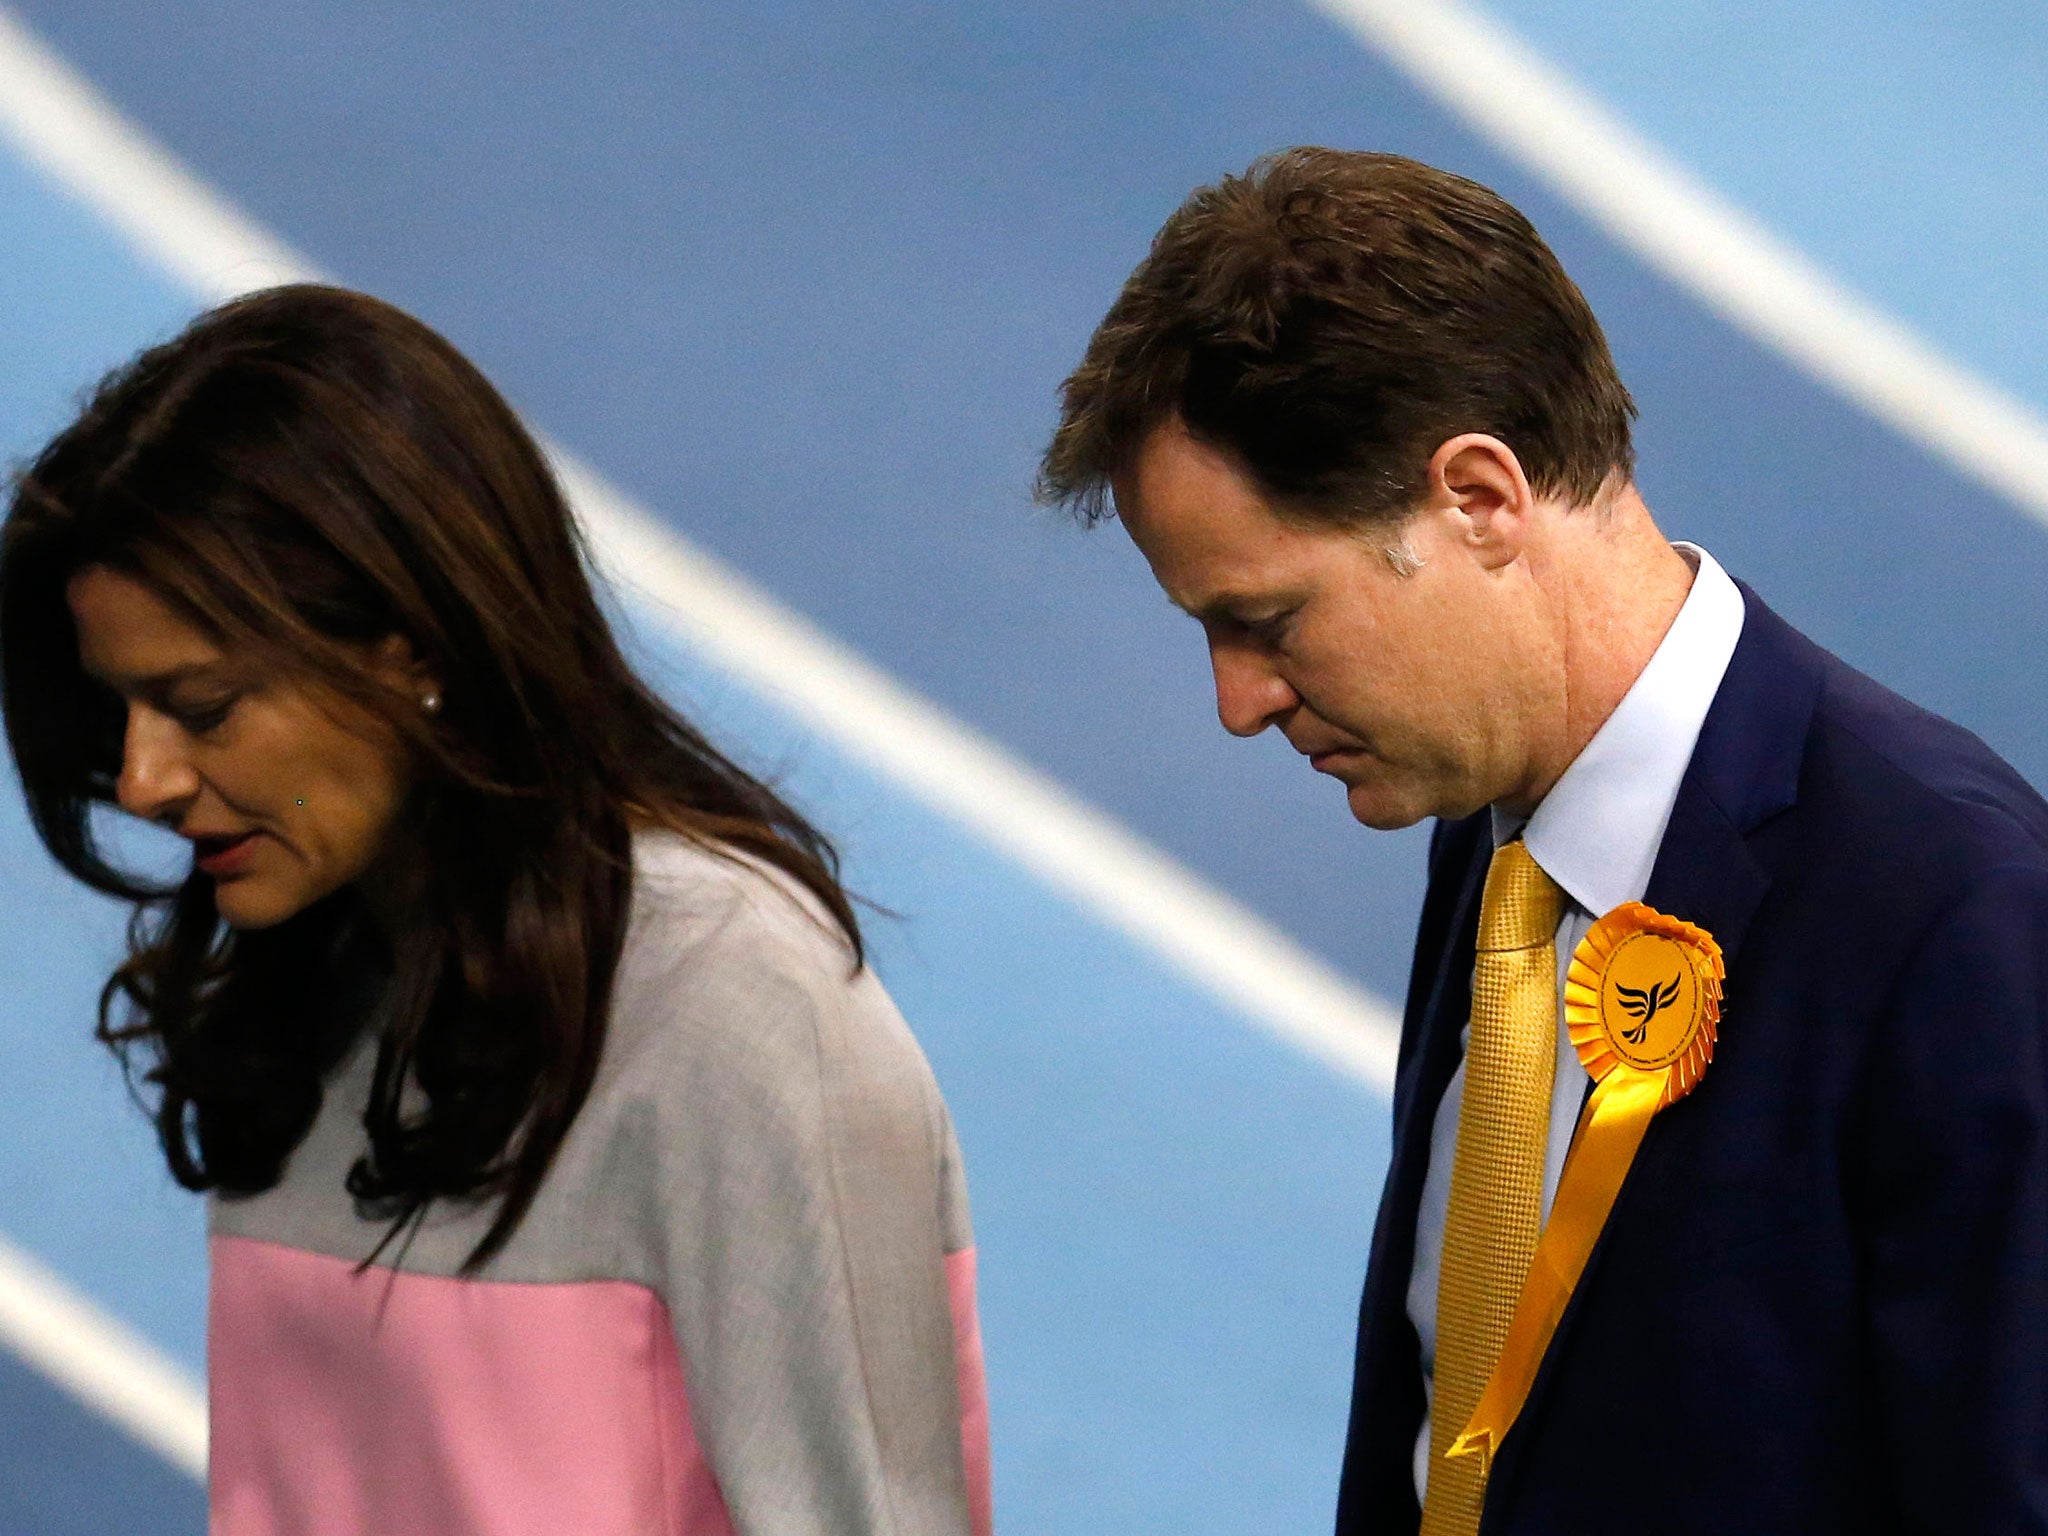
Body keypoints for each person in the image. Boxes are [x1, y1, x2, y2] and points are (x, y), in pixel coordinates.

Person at [1036, 148, 2048, 1533]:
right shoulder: (1501, 840)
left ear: (1480, 499)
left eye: (1266, 622)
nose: (1237, 703)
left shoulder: (1959, 914)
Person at [1, 284, 992, 1536]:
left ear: (408, 649)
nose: (142, 780)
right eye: (121, 712)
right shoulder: (308, 972)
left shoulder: (732, 1006)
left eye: (202, 706)